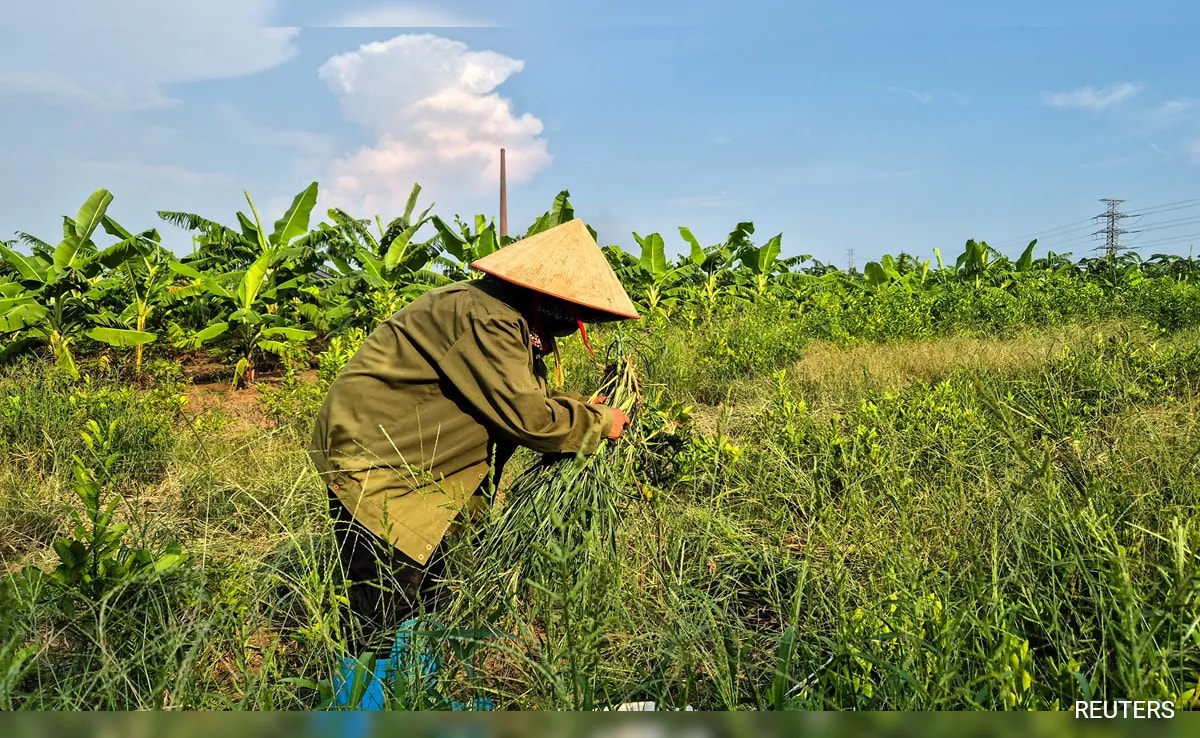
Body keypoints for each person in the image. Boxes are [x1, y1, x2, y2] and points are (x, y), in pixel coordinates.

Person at [308, 218, 641, 658]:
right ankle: (365, 706)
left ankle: (413, 693)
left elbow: (526, 391)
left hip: (418, 466)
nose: (572, 320)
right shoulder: (488, 317)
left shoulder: (502, 314)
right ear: (543, 294)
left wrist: (588, 405)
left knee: (431, 593)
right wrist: (598, 424)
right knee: (384, 611)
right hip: (383, 467)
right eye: (568, 307)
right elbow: (528, 417)